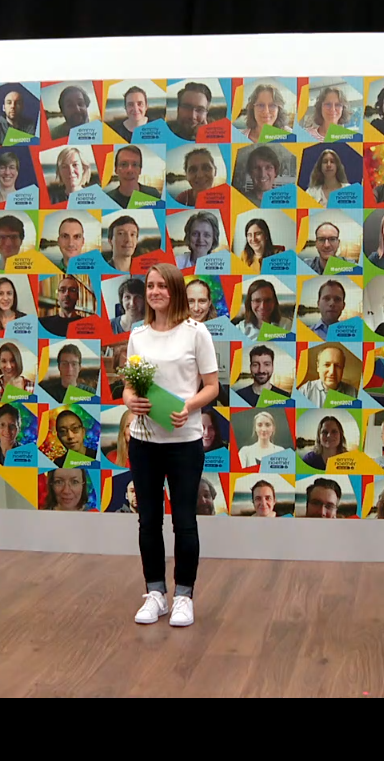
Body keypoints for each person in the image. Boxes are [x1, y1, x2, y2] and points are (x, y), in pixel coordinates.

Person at [123, 263, 219, 627]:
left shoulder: (196, 332)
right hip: (144, 441)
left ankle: (183, 596)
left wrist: (188, 407)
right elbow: (130, 386)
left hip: (184, 442)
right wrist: (130, 401)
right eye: (150, 286)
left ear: (175, 290)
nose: (155, 292)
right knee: (148, 521)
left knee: (184, 521)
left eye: (162, 285)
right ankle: (155, 594)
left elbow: (212, 386)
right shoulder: (138, 335)